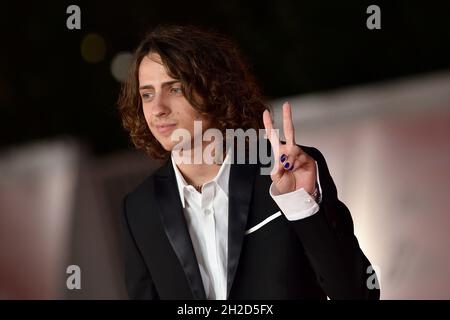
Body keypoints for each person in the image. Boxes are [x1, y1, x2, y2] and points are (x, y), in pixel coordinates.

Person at [117, 25, 380, 300]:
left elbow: (359, 294)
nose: (158, 108)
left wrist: (302, 207)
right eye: (147, 94)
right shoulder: (139, 209)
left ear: (214, 88)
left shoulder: (281, 171)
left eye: (175, 89)